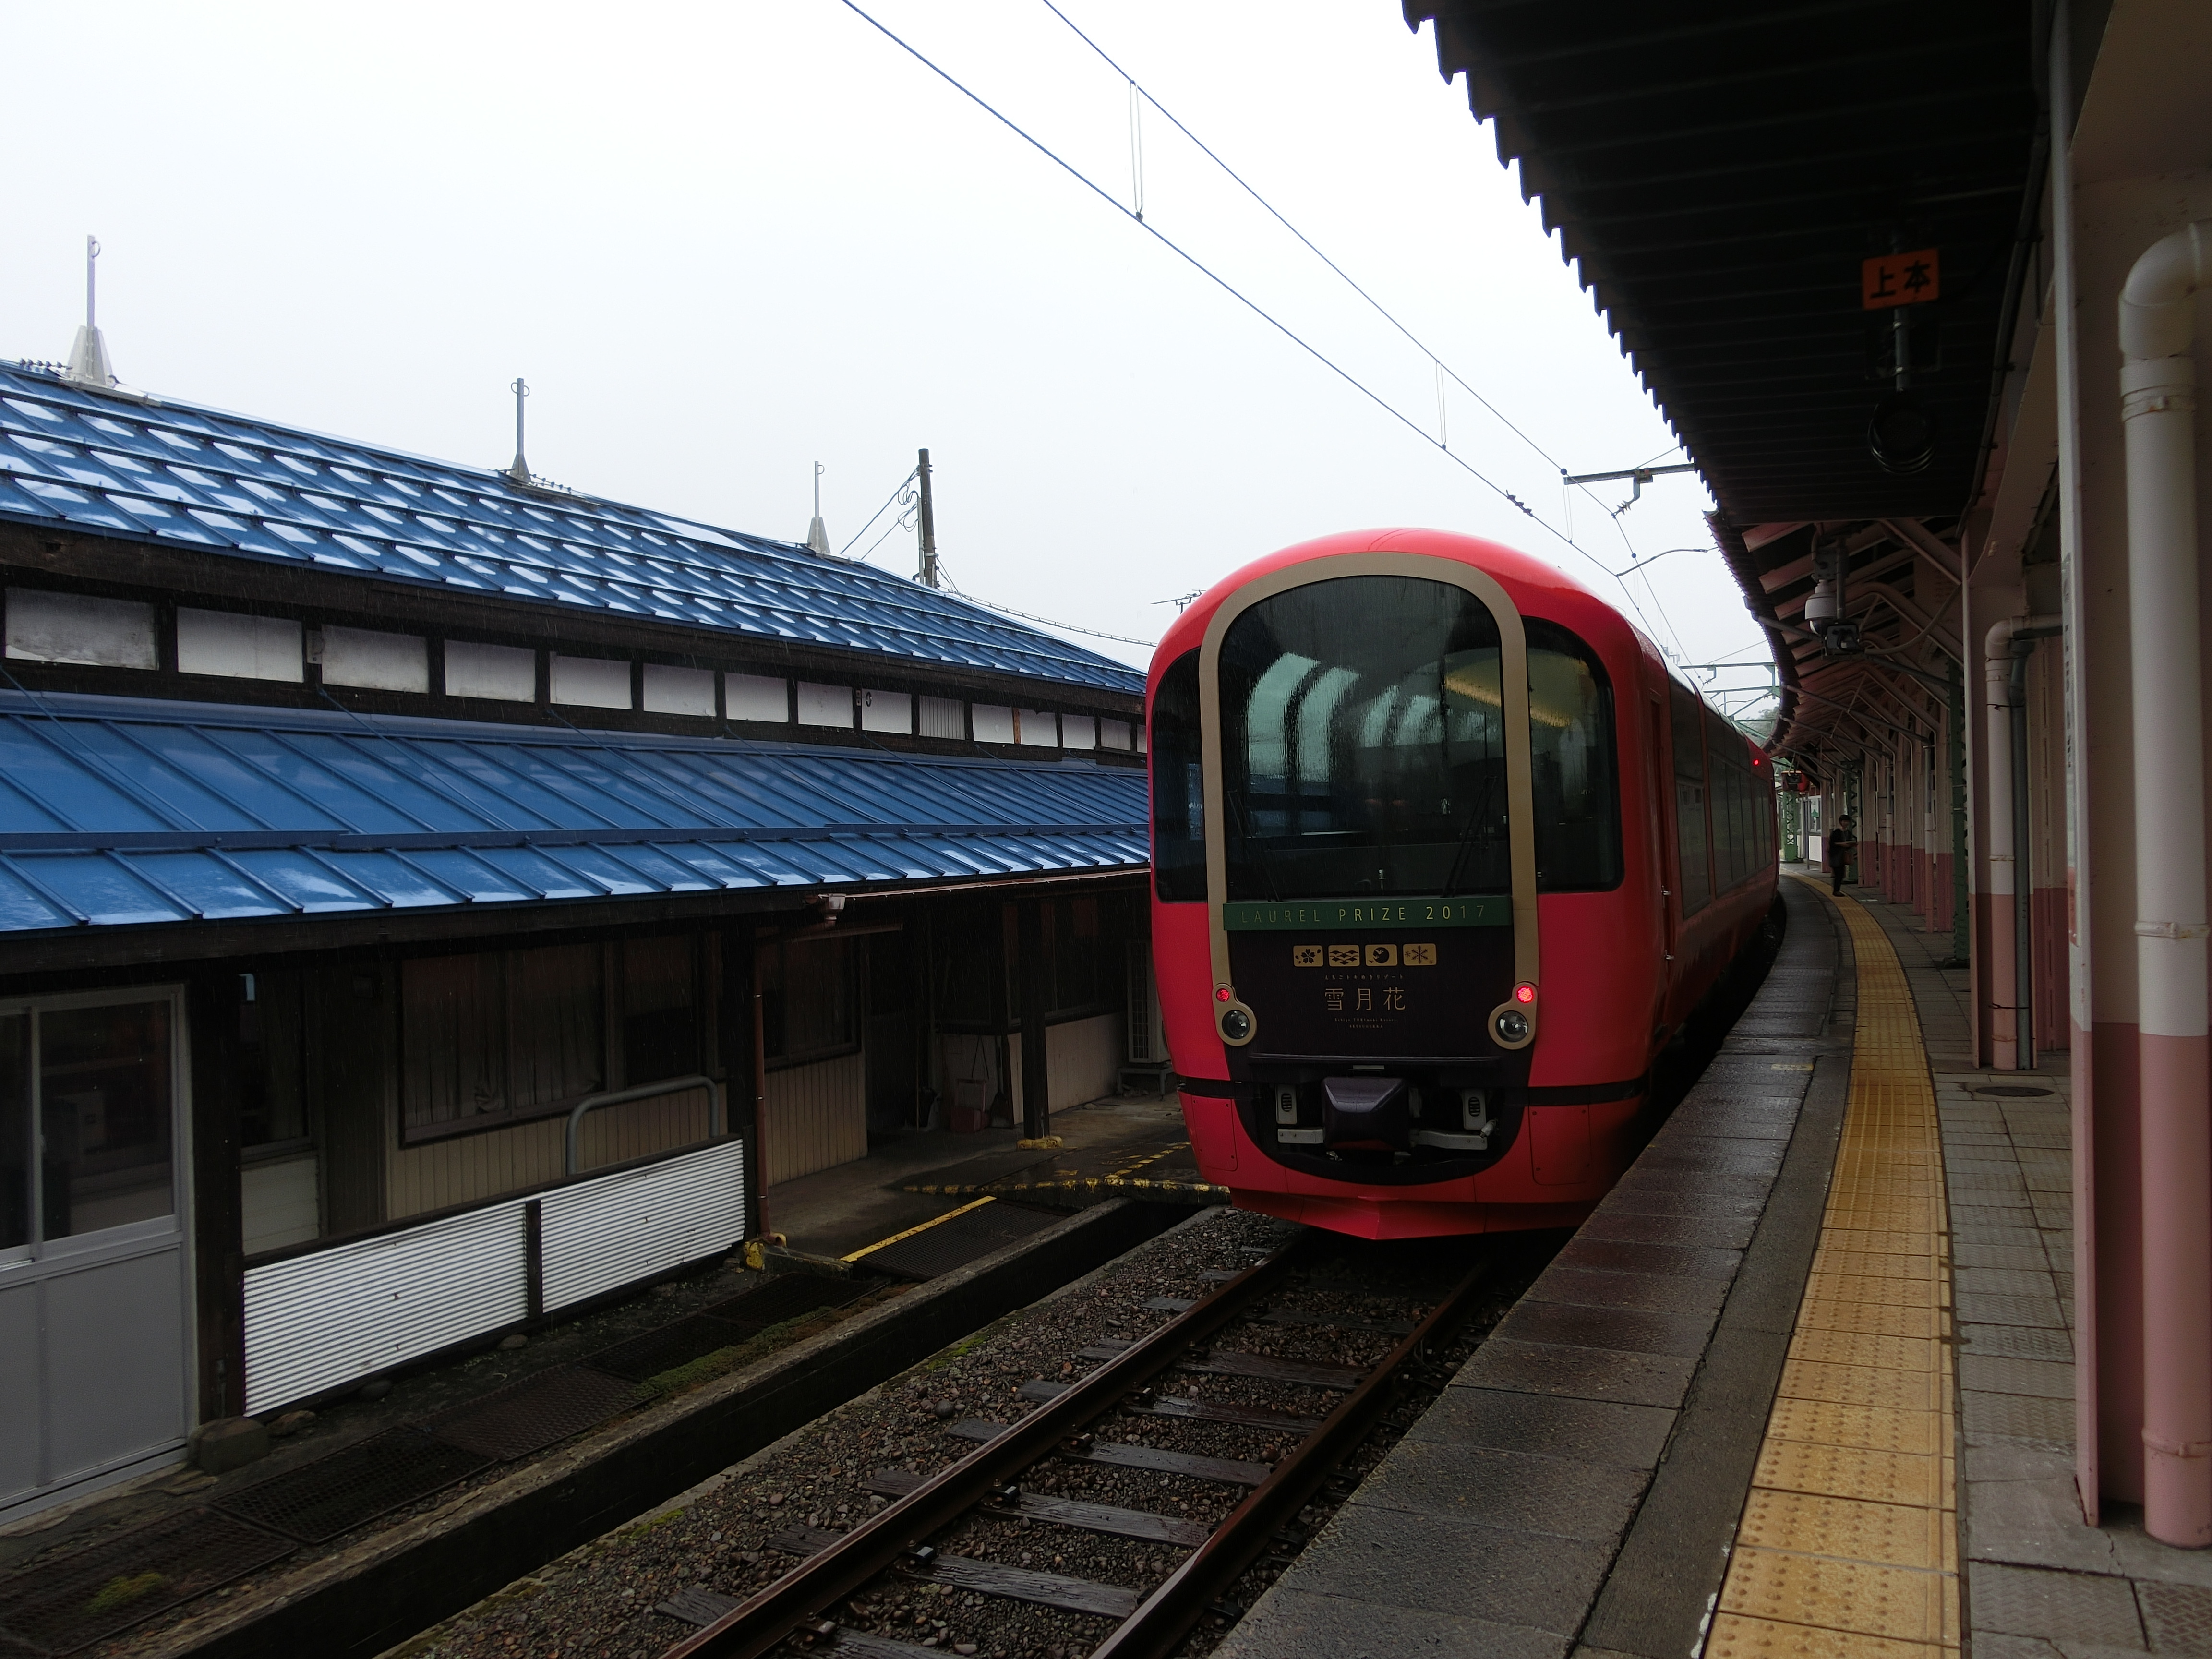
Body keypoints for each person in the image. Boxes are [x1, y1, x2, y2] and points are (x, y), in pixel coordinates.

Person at [1828, 813, 1857, 896]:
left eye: (1847, 821)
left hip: (1843, 856)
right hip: (1836, 856)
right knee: (1838, 874)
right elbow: (1832, 844)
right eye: (1844, 821)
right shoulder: (1836, 832)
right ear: (1841, 822)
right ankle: (1836, 891)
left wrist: (1850, 845)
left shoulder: (1848, 833)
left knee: (1841, 874)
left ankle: (1837, 890)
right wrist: (1842, 844)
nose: (1846, 823)